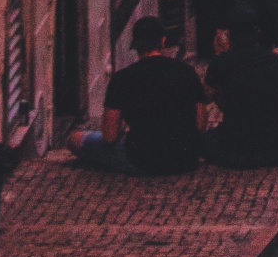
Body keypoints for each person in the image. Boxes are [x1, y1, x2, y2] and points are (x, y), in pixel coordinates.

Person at [69, 14, 206, 175]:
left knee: (75, 139)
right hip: (185, 157)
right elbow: (200, 124)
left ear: (136, 46)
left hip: (141, 158)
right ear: (163, 41)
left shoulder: (121, 79)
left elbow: (109, 136)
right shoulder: (187, 72)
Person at [203, 13, 278, 168]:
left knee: (205, 139)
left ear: (230, 35)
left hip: (237, 145)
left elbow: (205, 96)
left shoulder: (222, 63)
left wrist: (221, 56)